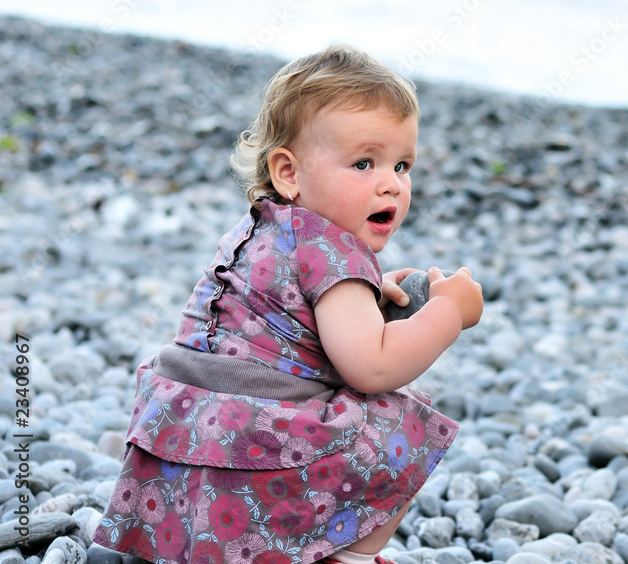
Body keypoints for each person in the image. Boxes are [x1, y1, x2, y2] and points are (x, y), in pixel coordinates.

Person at [93, 44, 484, 564]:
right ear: (289, 173)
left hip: (182, 432)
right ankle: (349, 556)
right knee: (401, 418)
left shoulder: (264, 227)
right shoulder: (334, 253)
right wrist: (448, 314)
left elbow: (285, 310)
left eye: (402, 164)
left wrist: (372, 289)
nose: (392, 183)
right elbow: (373, 366)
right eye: (364, 163)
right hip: (257, 445)